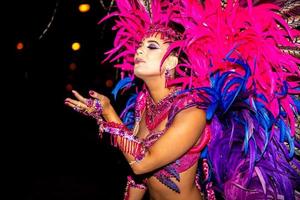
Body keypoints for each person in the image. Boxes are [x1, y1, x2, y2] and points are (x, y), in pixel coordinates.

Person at [65, 0, 300, 199]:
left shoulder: (192, 111)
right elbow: (137, 176)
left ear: (171, 63)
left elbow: (143, 162)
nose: (139, 51)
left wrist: (108, 112)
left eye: (152, 47)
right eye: (139, 46)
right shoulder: (143, 104)